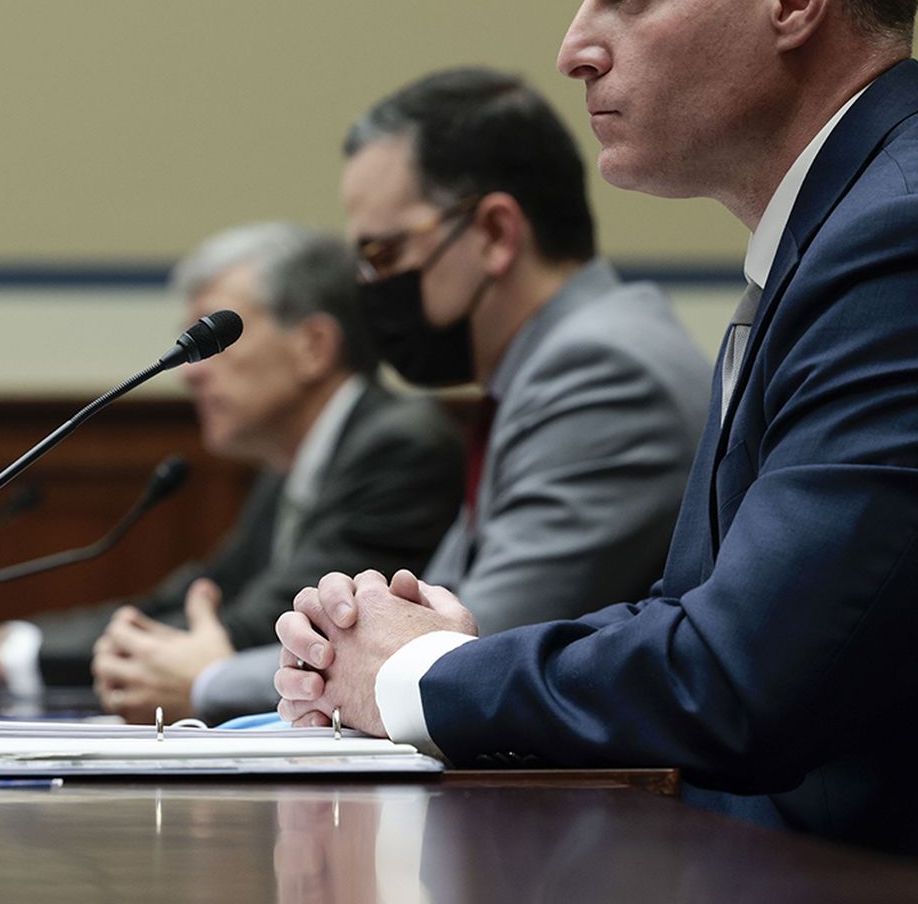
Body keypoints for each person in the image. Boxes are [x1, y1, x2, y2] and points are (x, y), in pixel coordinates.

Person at [274, 0, 918, 900]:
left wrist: (420, 680)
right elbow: (710, 615)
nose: (576, 47)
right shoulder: (859, 224)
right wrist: (467, 653)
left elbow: (742, 680)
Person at [190, 68, 711, 722]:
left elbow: (461, 648)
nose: (369, 288)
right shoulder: (541, 370)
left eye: (383, 255)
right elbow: (427, 613)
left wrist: (208, 680)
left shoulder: (602, 371)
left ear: (493, 234)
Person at [0, 221, 461, 719]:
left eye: (216, 343)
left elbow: (260, 628)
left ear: (313, 346)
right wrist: (1, 643)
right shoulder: (294, 461)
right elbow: (193, 599)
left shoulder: (401, 446)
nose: (193, 376)